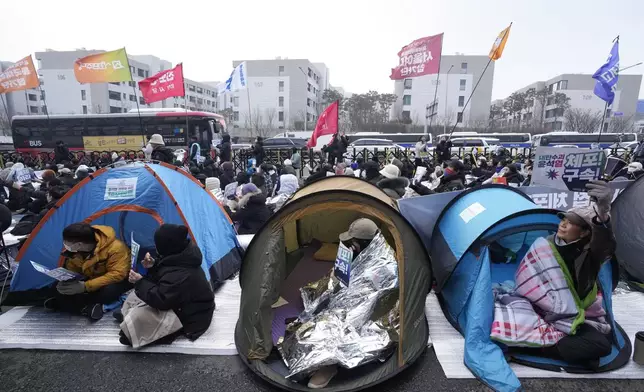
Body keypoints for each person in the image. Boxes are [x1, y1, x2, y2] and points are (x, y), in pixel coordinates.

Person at [538, 180, 615, 366]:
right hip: (543, 309)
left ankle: (532, 344)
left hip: (576, 314)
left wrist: (603, 214)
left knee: (601, 346)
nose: (563, 225)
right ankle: (549, 344)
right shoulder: (547, 243)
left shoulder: (591, 255)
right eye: (563, 219)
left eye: (571, 223)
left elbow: (604, 244)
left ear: (583, 234)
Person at [306, 218, 380, 389]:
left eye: (353, 241)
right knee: (317, 303)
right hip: (349, 295)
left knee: (342, 322)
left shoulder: (382, 259)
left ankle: (329, 365)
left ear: (363, 242)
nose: (350, 244)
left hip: (370, 303)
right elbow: (337, 280)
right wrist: (344, 264)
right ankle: (317, 354)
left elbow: (377, 292)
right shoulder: (355, 252)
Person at [121, 224, 215, 347]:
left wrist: (139, 281)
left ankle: (167, 331)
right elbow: (167, 274)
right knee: (135, 296)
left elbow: (161, 300)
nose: (155, 247)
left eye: (157, 244)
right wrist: (153, 265)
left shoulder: (182, 273)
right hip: (180, 302)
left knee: (137, 318)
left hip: (192, 316)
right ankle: (131, 321)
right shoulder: (181, 254)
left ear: (166, 246)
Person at [44, 223, 131, 321]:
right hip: (88, 278)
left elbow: (117, 274)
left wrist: (85, 286)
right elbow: (73, 268)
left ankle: (73, 306)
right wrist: (68, 279)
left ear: (79, 244)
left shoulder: (116, 248)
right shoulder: (75, 251)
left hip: (109, 281)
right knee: (57, 287)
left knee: (108, 293)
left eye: (67, 243)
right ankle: (82, 306)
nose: (65, 245)